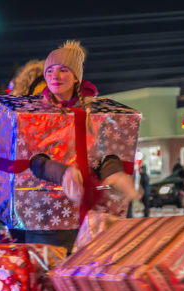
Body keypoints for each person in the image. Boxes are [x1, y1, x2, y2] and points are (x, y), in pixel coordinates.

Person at [27, 40, 138, 251]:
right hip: (49, 220)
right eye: (49, 70)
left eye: (63, 70)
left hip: (93, 220)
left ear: (77, 75)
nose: (54, 76)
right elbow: (34, 159)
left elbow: (107, 153)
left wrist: (113, 174)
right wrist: (63, 173)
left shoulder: (98, 114)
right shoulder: (35, 115)